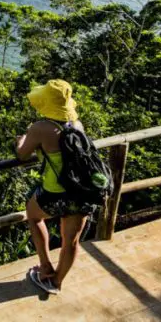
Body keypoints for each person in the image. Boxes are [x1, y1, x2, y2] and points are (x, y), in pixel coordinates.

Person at [15, 79, 99, 295]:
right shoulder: (77, 125)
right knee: (70, 240)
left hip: (56, 192)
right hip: (82, 192)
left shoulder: (41, 127)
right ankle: (56, 282)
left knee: (34, 216)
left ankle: (45, 267)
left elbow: (22, 154)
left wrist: (22, 140)